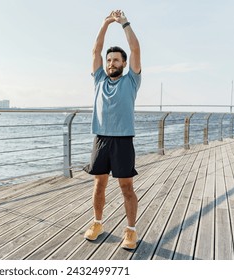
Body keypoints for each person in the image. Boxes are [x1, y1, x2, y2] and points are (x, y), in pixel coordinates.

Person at [83, 10, 141, 250]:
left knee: (126, 188)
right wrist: (106, 23)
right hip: (101, 139)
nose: (111, 63)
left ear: (124, 63)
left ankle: (131, 230)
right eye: (109, 61)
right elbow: (96, 50)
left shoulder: (131, 81)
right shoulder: (99, 80)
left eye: (116, 60)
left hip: (123, 141)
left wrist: (124, 23)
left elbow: (135, 49)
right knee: (99, 185)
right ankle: (97, 223)